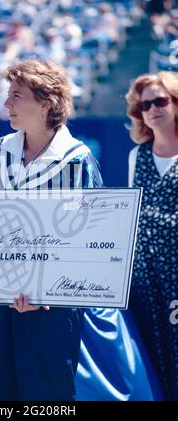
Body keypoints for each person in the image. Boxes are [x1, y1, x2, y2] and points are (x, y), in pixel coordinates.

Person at [0, 59, 160, 401]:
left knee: (45, 400)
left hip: (49, 312)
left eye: (16, 95)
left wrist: (46, 294)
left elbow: (89, 241)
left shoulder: (77, 160)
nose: (6, 103)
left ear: (46, 102)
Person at [126, 71, 178, 401]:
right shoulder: (137, 156)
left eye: (160, 101)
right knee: (152, 358)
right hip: (144, 281)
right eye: (145, 106)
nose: (152, 110)